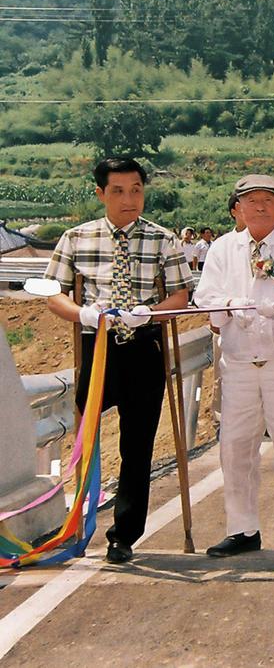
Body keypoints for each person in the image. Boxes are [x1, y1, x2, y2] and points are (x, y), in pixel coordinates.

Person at [43, 157, 193, 564]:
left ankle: (123, 535)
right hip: (98, 348)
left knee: (137, 446)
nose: (129, 199)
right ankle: (76, 521)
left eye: (136, 190)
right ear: (100, 193)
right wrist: (82, 313)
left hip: (144, 347)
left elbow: (181, 296)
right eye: (119, 191)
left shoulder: (163, 239)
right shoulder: (76, 238)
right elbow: (53, 293)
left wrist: (151, 312)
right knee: (87, 439)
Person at [194, 175, 274, 561]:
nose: (260, 207)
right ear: (238, 207)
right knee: (235, 448)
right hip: (239, 362)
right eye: (251, 200)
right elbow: (205, 295)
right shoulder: (222, 249)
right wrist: (230, 304)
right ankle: (242, 529)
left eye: (268, 200)